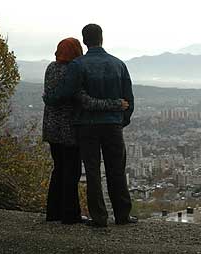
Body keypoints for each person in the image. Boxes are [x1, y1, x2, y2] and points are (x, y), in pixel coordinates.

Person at [43, 24, 136, 227]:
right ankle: (122, 215)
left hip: (86, 126)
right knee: (116, 170)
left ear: (85, 41)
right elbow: (129, 98)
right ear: (102, 38)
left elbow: (67, 92)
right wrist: (120, 121)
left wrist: (50, 98)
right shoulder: (118, 64)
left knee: (92, 172)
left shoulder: (78, 65)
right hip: (113, 126)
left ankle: (99, 217)